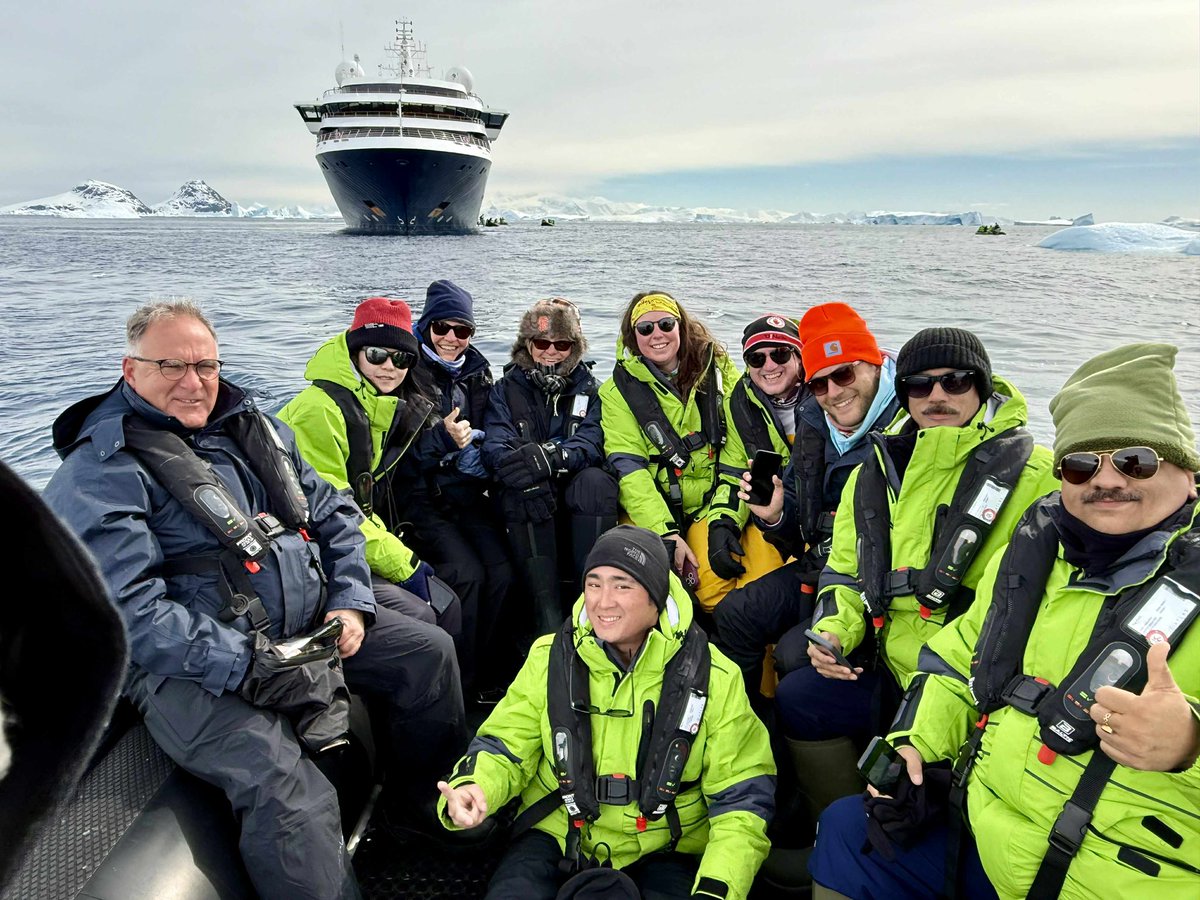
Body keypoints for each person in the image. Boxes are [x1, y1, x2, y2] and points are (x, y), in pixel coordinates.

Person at [42, 299, 466, 899]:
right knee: (286, 787)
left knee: (428, 653)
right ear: (130, 369)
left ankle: (420, 802)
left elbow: (336, 514)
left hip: (307, 626)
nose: (194, 383)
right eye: (172, 366)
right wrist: (245, 662)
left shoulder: (255, 430)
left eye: (206, 367)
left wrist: (348, 601)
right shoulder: (102, 472)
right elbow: (126, 613)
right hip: (194, 666)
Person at [811, 342, 1200, 899]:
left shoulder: (1029, 481)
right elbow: (955, 655)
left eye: (1135, 461)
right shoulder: (1033, 555)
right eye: (1083, 463)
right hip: (993, 826)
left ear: (1186, 470)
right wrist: (914, 741)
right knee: (847, 828)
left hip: (1113, 876)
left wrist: (1189, 742)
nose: (1106, 480)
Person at [775, 326, 1058, 826]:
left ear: (984, 386)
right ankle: (843, 818)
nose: (937, 396)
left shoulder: (1039, 477)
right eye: (920, 386)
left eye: (956, 381)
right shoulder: (876, 470)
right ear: (902, 394)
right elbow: (843, 569)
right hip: (890, 662)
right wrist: (835, 633)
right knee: (800, 696)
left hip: (969, 685)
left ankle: (903, 827)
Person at [437, 525, 776, 900]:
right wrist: (475, 787)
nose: (603, 601)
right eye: (594, 584)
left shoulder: (716, 676)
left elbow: (742, 802)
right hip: (557, 831)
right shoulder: (549, 657)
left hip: (667, 847)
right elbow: (504, 746)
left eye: (622, 585)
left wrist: (716, 889)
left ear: (657, 597)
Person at [713, 303, 900, 702]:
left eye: (845, 373)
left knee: (793, 656)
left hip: (876, 579)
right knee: (734, 615)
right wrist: (776, 514)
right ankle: (747, 727)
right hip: (819, 562)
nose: (834, 392)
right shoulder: (815, 418)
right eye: (820, 383)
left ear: (873, 363)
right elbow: (798, 517)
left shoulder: (907, 423)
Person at [278, 296, 463, 639]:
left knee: (445, 600)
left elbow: (358, 498)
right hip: (309, 548)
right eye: (377, 354)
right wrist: (404, 564)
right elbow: (331, 510)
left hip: (342, 540)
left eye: (402, 358)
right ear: (354, 352)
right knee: (433, 611)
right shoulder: (320, 410)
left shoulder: (373, 405)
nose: (389, 367)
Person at [482, 297, 617, 638]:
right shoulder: (504, 391)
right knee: (522, 491)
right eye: (542, 343)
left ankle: (594, 607)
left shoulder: (591, 390)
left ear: (574, 347)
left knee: (597, 482)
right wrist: (530, 472)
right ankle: (547, 621)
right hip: (528, 498)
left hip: (574, 492)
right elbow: (497, 443)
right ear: (528, 344)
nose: (551, 352)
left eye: (562, 344)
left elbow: (591, 439)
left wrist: (551, 458)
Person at [599, 290, 740, 614]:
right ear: (633, 338)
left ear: (681, 326)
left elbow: (739, 441)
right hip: (652, 506)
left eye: (665, 323)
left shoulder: (718, 369)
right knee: (653, 589)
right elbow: (629, 469)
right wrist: (667, 534)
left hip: (713, 502)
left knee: (716, 588)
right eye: (645, 329)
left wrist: (724, 515)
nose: (657, 334)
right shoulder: (616, 392)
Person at [406, 279, 514, 698]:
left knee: (503, 572)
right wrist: (442, 441)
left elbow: (494, 428)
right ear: (427, 326)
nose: (452, 339)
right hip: (423, 497)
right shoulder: (406, 370)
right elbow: (399, 460)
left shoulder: (478, 373)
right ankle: (460, 681)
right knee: (465, 575)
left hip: (466, 492)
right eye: (442, 329)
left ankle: (489, 667)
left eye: (462, 331)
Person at [703, 315, 805, 610]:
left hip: (809, 522)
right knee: (710, 587)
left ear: (800, 355)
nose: (769, 366)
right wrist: (723, 524)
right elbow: (734, 473)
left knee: (763, 597)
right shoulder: (740, 403)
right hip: (764, 513)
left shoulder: (824, 396)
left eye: (781, 354)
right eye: (757, 358)